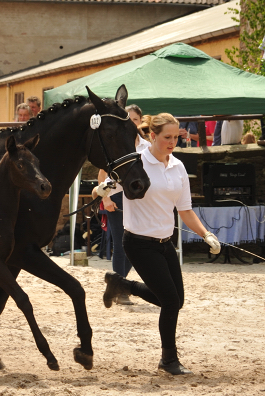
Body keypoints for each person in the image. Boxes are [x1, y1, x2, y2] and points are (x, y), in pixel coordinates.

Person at [93, 112, 221, 375]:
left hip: (165, 243)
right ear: (153, 136)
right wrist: (102, 191)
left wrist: (206, 234)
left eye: (176, 137)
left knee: (176, 300)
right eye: (167, 137)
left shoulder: (178, 167)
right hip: (138, 243)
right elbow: (102, 187)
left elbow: (185, 210)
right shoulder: (136, 164)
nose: (172, 142)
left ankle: (123, 284)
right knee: (170, 302)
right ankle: (169, 359)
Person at [96, 104, 151, 306]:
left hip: (140, 199)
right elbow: (102, 174)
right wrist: (106, 198)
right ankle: (120, 290)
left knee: (136, 245)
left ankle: (115, 283)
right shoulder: (117, 145)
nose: (131, 123)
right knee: (121, 244)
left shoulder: (147, 147)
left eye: (134, 119)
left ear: (140, 121)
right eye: (127, 119)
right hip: (118, 197)